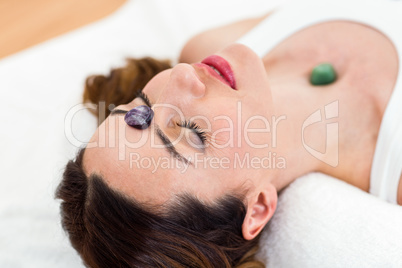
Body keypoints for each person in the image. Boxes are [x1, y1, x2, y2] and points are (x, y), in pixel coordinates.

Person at [56, 1, 402, 267]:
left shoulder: (211, 47)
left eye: (140, 112)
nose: (179, 78)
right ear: (258, 209)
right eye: (193, 134)